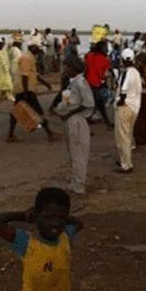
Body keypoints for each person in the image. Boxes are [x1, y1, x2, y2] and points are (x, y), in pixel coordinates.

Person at [0, 188, 83, 291]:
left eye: (60, 218)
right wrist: (24, 215)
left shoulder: (65, 237)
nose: (55, 223)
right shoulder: (27, 243)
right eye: (49, 217)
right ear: (36, 216)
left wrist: (62, 217)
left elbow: (79, 223)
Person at [53, 55, 94, 195]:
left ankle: (79, 184)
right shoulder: (71, 83)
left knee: (79, 153)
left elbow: (88, 103)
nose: (65, 70)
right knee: (73, 153)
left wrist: (70, 113)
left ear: (74, 68)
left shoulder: (81, 82)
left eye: (67, 67)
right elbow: (66, 100)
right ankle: (75, 181)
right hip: (70, 119)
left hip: (76, 119)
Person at [8, 42, 58, 143]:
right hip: (26, 90)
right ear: (33, 48)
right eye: (37, 48)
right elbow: (24, 76)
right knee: (38, 112)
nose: (39, 50)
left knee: (16, 112)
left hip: (25, 90)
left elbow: (34, 74)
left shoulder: (30, 57)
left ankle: (10, 135)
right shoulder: (26, 58)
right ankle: (50, 134)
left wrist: (46, 83)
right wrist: (26, 94)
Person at [114, 48, 141, 173]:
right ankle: (125, 159)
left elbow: (123, 90)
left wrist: (120, 102)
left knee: (122, 137)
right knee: (128, 135)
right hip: (134, 107)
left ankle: (126, 164)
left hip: (125, 107)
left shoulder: (127, 73)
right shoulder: (136, 72)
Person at [84, 41, 113, 129]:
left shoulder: (89, 56)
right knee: (98, 103)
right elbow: (103, 75)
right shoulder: (104, 60)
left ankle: (107, 122)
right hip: (97, 84)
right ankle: (87, 123)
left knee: (96, 104)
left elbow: (86, 68)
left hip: (88, 82)